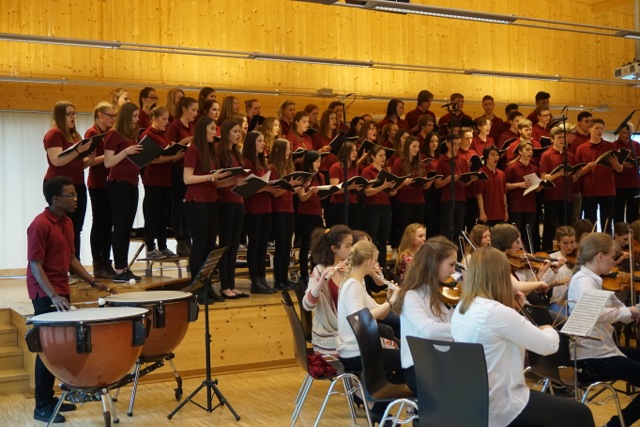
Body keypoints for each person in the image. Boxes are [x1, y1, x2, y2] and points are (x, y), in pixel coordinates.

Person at [451, 246, 595, 427]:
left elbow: (499, 331)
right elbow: (549, 346)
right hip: (505, 404)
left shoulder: (462, 307)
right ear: (501, 276)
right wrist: (547, 327)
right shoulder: (497, 312)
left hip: (476, 402)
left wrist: (515, 310)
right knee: (581, 413)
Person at [28, 176, 113, 423]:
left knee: (59, 347)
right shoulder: (40, 225)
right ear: (56, 199)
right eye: (71, 195)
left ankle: (50, 398)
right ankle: (41, 406)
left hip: (60, 290)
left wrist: (93, 282)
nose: (76, 199)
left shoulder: (66, 222)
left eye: (75, 194)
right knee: (46, 349)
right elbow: (35, 265)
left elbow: (71, 259)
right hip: (45, 294)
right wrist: (53, 296)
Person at [568, 232, 640, 427]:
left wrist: (632, 311)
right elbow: (594, 315)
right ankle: (614, 425)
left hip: (602, 349)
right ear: (600, 256)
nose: (614, 262)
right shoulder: (583, 281)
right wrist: (628, 311)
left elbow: (619, 312)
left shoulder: (593, 280)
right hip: (591, 357)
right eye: (612, 257)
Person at [394, 236, 457, 394]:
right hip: (419, 368)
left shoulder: (439, 292)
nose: (453, 271)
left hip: (440, 361)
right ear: (434, 263)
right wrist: (462, 328)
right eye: (451, 264)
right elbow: (428, 330)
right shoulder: (412, 296)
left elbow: (451, 320)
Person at [43, 101, 96, 266]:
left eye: (74, 113)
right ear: (60, 116)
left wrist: (90, 158)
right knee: (62, 228)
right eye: (69, 114)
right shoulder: (54, 134)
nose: (73, 117)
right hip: (58, 185)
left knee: (76, 228)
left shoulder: (75, 136)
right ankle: (61, 266)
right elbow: (57, 161)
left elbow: (78, 164)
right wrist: (79, 150)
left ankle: (74, 266)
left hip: (77, 183)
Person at [337, 240, 400, 374]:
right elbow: (360, 319)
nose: (376, 264)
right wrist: (390, 303)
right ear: (368, 261)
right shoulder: (352, 285)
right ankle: (386, 385)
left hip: (361, 349)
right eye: (375, 261)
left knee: (406, 354)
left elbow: (381, 315)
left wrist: (389, 299)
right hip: (356, 352)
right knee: (408, 360)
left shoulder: (358, 283)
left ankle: (390, 384)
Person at [103, 102, 144, 283]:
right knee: (120, 227)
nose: (136, 120)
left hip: (132, 182)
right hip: (118, 183)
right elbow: (108, 162)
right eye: (134, 116)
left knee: (127, 227)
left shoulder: (130, 135)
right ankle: (119, 269)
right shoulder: (113, 134)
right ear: (126, 116)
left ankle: (124, 267)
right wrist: (126, 151)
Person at [140, 106, 183, 260]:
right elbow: (153, 159)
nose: (167, 122)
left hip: (165, 178)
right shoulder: (147, 134)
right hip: (153, 179)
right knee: (152, 214)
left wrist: (175, 152)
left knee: (163, 214)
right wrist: (174, 156)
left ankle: (163, 246)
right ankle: (151, 248)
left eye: (167, 119)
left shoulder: (163, 134)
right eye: (164, 119)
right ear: (154, 118)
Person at [303, 225, 353, 356]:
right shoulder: (319, 270)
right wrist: (321, 282)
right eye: (347, 246)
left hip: (348, 329)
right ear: (334, 248)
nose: (351, 250)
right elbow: (307, 305)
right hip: (328, 335)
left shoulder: (350, 270)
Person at [215, 120, 248, 299]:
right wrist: (234, 181)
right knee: (225, 245)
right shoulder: (219, 151)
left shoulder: (236, 152)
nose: (238, 134)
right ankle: (224, 285)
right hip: (225, 201)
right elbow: (216, 181)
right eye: (235, 131)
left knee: (234, 245)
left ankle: (232, 284)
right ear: (227, 132)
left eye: (239, 131)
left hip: (238, 200)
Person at [85, 102, 116, 279]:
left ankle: (106, 261)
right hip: (97, 183)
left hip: (109, 183)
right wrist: (110, 156)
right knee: (99, 223)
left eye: (114, 116)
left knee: (108, 224)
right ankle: (98, 263)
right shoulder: (92, 133)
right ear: (100, 115)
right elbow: (90, 161)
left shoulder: (110, 133)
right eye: (110, 115)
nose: (113, 118)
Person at [243, 131, 277, 294]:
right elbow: (248, 187)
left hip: (266, 207)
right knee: (255, 244)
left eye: (263, 141)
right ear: (251, 143)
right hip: (253, 208)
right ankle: (255, 279)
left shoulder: (263, 163)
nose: (263, 144)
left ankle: (262, 277)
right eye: (259, 141)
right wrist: (266, 187)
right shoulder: (247, 162)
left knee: (263, 245)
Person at [575, 118, 623, 235]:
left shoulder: (610, 146)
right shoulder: (581, 148)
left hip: (608, 190)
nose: (600, 130)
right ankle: (592, 244)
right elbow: (577, 173)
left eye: (602, 128)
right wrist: (586, 169)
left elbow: (620, 169)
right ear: (589, 129)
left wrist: (615, 164)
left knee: (607, 222)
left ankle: (607, 244)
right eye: (597, 128)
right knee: (591, 222)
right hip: (589, 191)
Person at [269, 138, 304, 291]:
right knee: (281, 245)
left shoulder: (288, 168)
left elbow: (288, 192)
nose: (289, 152)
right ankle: (278, 280)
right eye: (287, 149)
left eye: (290, 148)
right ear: (278, 150)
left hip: (289, 210)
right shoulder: (273, 168)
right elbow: (276, 193)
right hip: (278, 210)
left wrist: (300, 187)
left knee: (287, 246)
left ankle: (284, 278)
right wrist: (291, 185)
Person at [165, 96, 198, 256]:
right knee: (178, 205)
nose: (195, 113)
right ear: (184, 109)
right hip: (178, 169)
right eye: (193, 110)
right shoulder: (174, 126)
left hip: (189, 168)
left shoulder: (193, 127)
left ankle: (188, 238)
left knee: (188, 206)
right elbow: (168, 148)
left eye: (197, 110)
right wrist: (184, 142)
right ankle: (180, 239)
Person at [361, 145, 396, 266]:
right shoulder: (367, 171)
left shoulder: (385, 171)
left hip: (385, 206)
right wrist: (383, 186)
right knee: (372, 237)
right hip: (372, 207)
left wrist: (392, 191)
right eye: (380, 155)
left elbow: (388, 191)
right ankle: (370, 265)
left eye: (384, 155)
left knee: (383, 238)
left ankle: (382, 265)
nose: (383, 158)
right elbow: (367, 192)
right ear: (373, 157)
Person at [296, 151, 325, 283]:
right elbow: (302, 197)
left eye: (320, 161)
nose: (319, 164)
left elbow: (321, 196)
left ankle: (315, 272)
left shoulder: (320, 176)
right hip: (305, 214)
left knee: (317, 245)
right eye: (316, 161)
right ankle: (304, 274)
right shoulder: (303, 176)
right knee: (306, 245)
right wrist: (311, 191)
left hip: (317, 213)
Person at [613, 124, 640, 224]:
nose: (627, 135)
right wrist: (621, 164)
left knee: (633, 213)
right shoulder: (613, 145)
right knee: (618, 213)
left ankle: (633, 233)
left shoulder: (636, 145)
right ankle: (619, 232)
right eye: (624, 132)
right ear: (619, 133)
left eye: (630, 132)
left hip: (634, 184)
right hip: (618, 184)